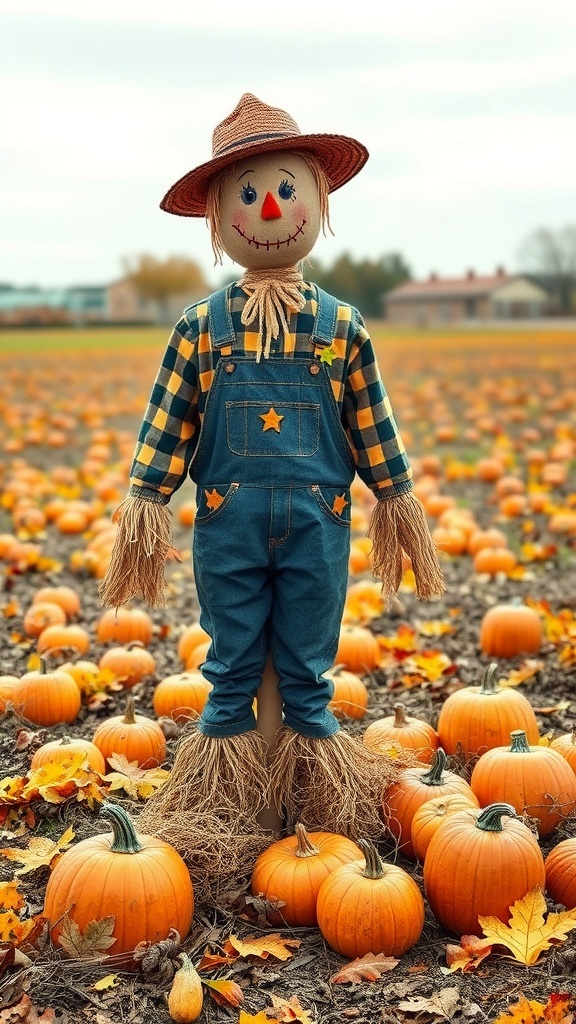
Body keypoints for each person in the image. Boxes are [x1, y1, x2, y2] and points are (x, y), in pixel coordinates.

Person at [100, 93, 444, 902]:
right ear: (219, 219)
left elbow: (374, 429)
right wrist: (145, 500)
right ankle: (228, 801)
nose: (270, 205)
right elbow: (166, 428)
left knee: (306, 665)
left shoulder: (342, 328)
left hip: (320, 524)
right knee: (232, 662)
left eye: (286, 190)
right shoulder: (199, 329)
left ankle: (311, 794)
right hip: (228, 523)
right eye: (249, 195)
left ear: (318, 203)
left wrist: (397, 500)